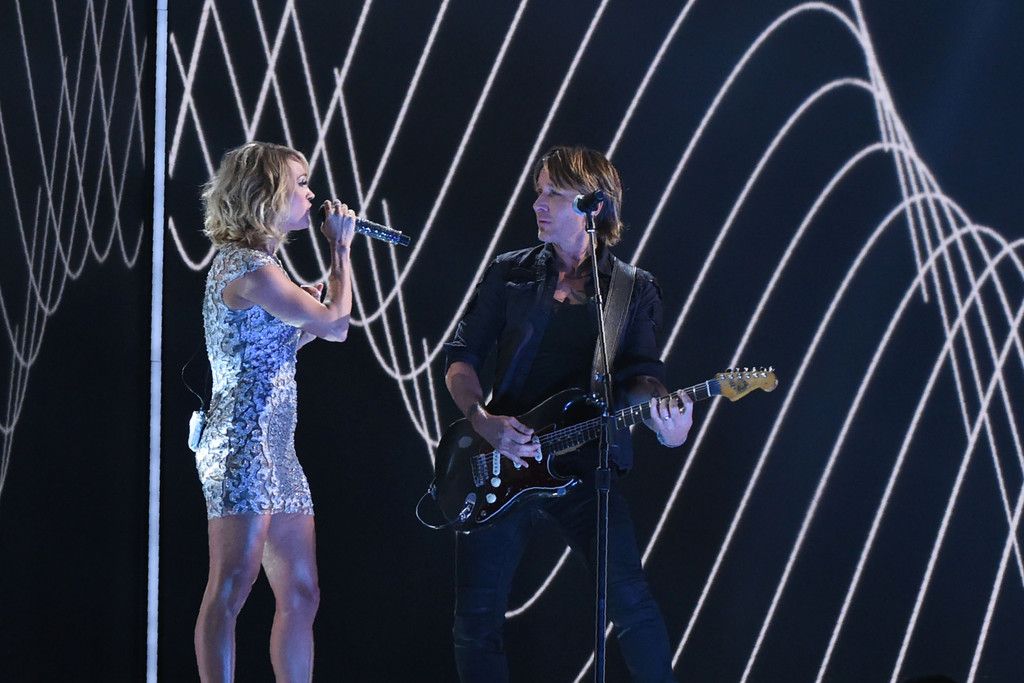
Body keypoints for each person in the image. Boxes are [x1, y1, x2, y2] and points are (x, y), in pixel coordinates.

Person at [443, 145, 693, 682]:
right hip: (503, 459)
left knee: (632, 605)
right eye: (539, 191)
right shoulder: (509, 273)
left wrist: (666, 419)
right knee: (476, 621)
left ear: (592, 206)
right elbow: (461, 359)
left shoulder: (632, 288)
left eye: (553, 194)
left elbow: (642, 377)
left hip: (584, 465)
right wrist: (482, 419)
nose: (538, 204)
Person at [193, 141, 356, 682]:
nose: (311, 195)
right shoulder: (252, 268)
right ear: (265, 194)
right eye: (300, 183)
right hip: (241, 444)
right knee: (231, 586)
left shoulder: (265, 267)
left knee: (302, 592)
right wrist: (340, 252)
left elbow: (278, 346)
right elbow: (336, 326)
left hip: (276, 449)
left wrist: (303, 313)